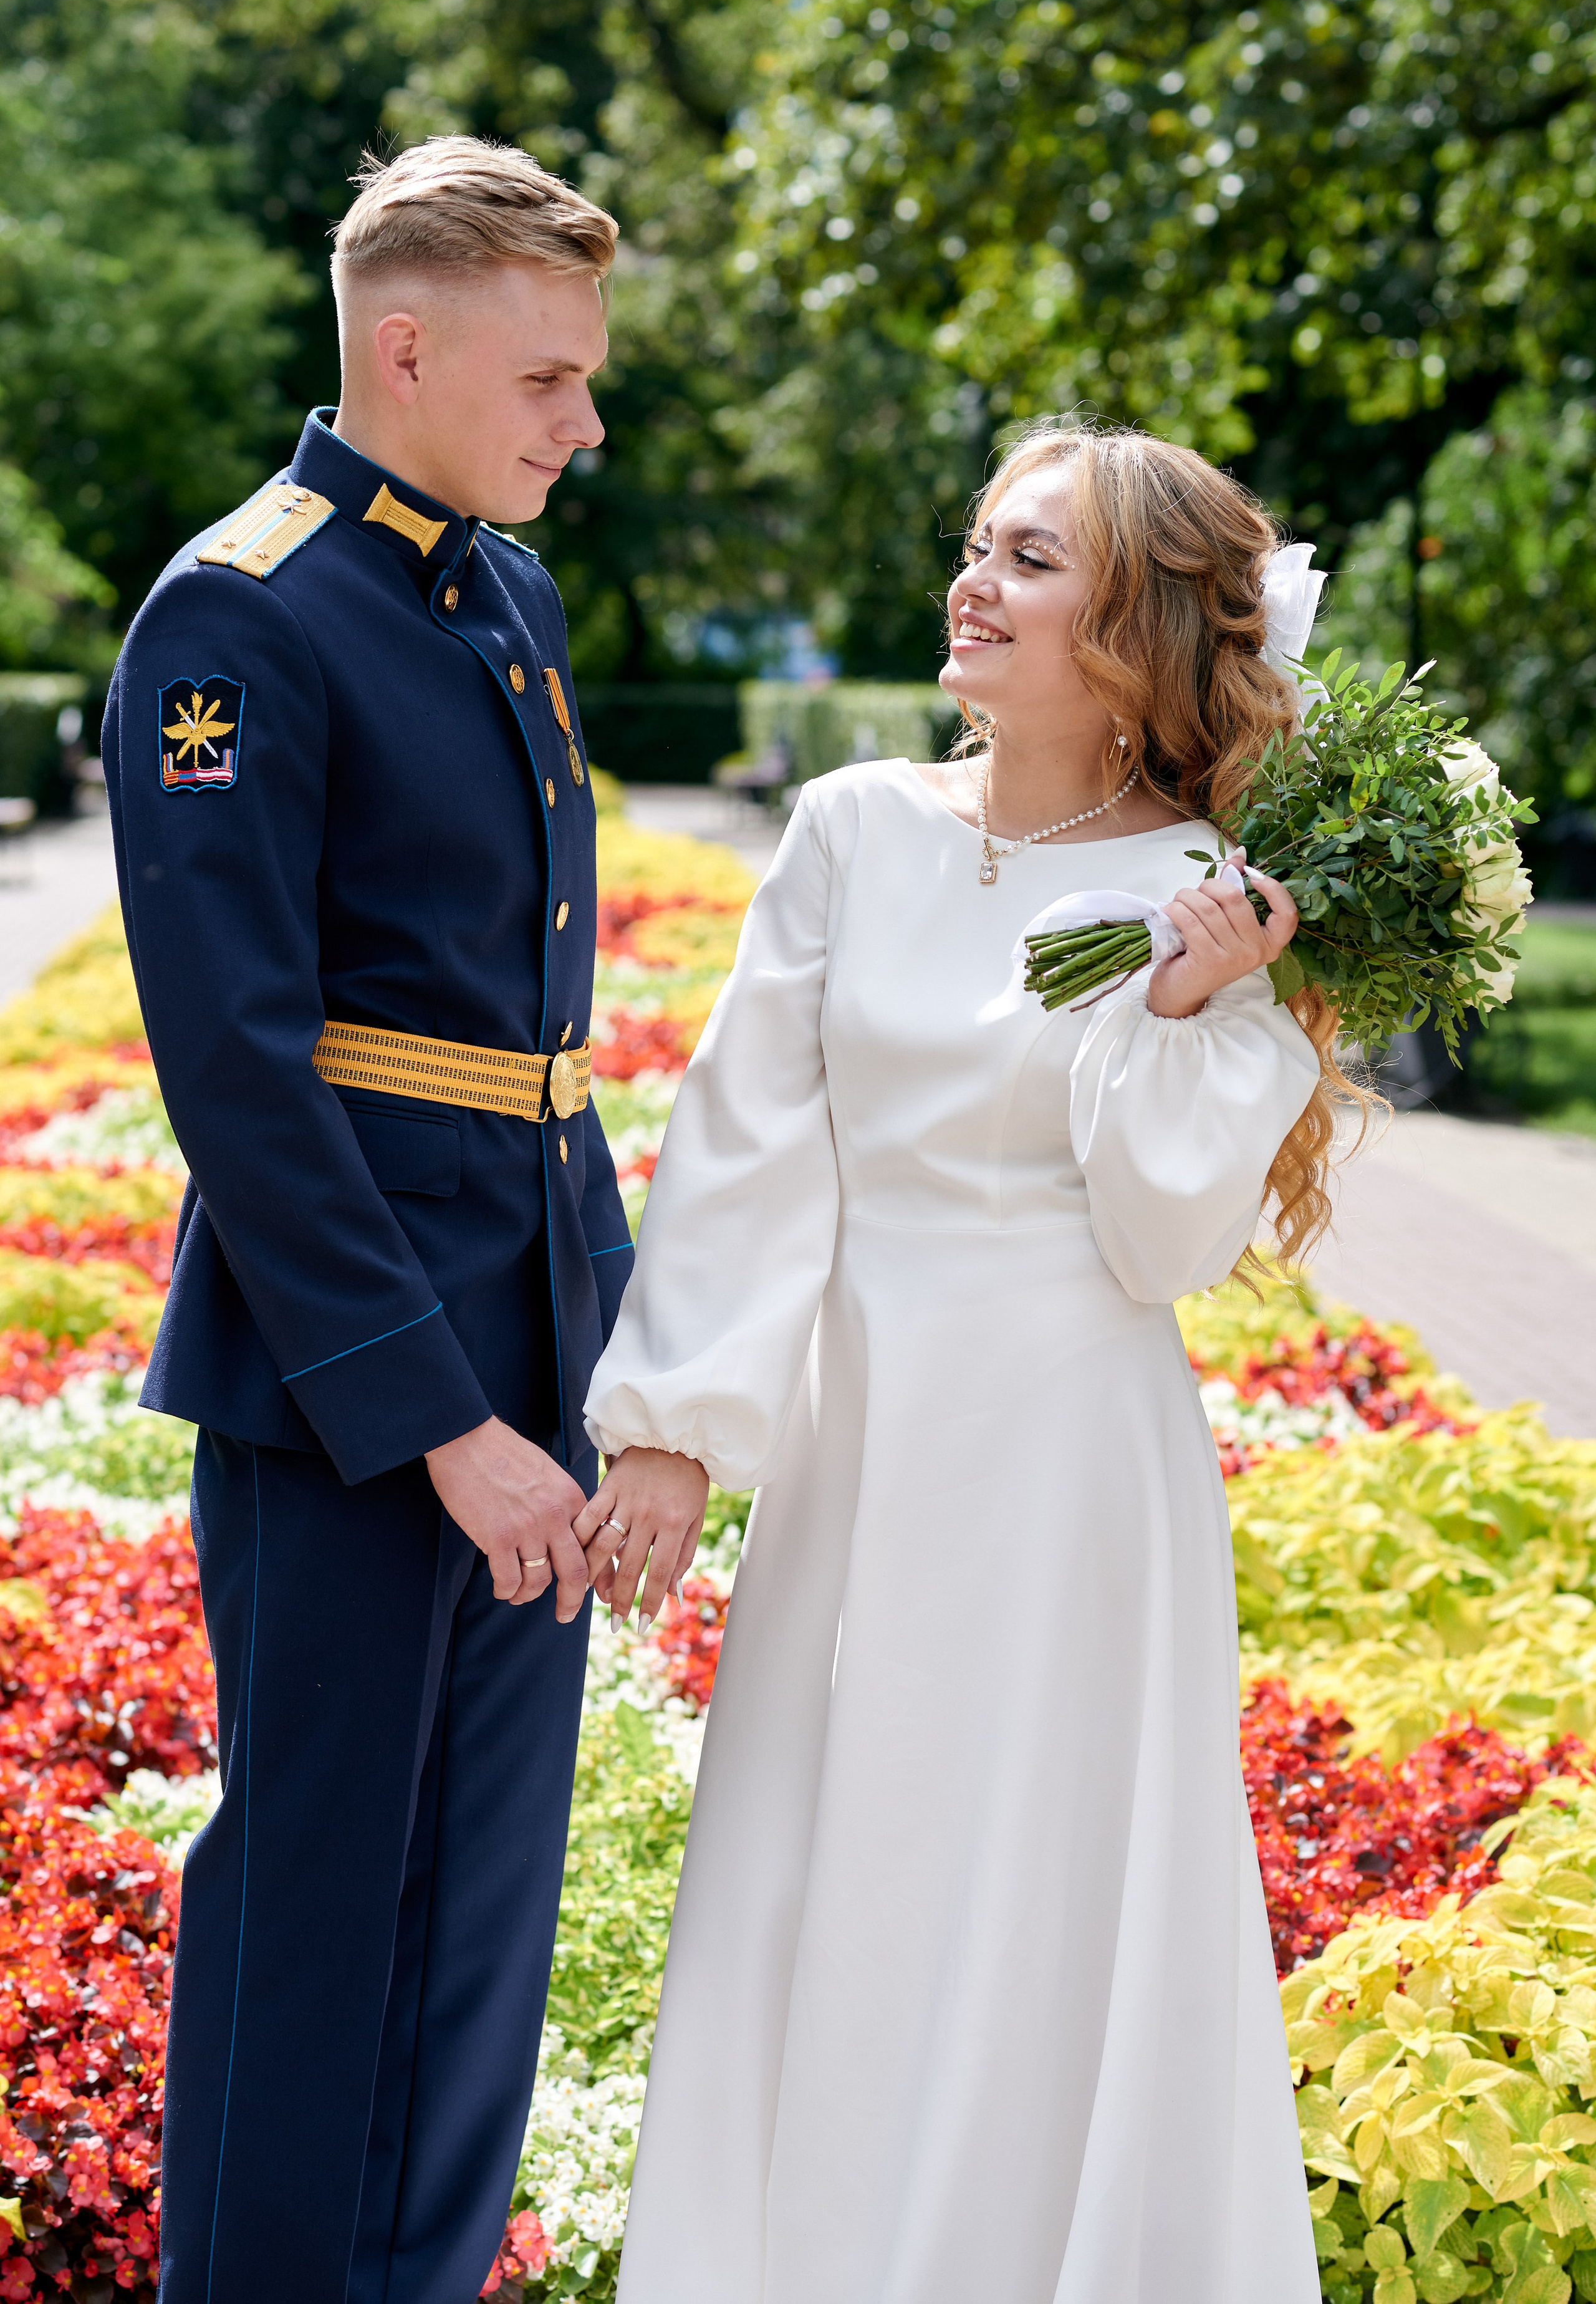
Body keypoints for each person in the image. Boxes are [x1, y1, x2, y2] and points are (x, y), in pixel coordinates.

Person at [579, 421, 1339, 2303]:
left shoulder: (1216, 892)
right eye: (978, 546)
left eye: (1028, 559)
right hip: (861, 1444)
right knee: (839, 1876)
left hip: (1077, 1469)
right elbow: (751, 1132)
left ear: (1130, 627)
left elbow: (1166, 1242)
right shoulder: (851, 829)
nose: (970, 584)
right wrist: (674, 1428)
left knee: (1051, 1897)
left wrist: (1185, 1005)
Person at [101, 136, 632, 2304]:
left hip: (538, 1325)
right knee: (320, 1898)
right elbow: (241, 1071)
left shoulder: (502, 589)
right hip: (357, 1373)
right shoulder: (241, 610)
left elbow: (529, 1040)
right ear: (403, 346)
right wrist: (438, 1415)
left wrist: (595, 1376)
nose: (582, 425)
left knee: (489, 1907)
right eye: (550, 378)